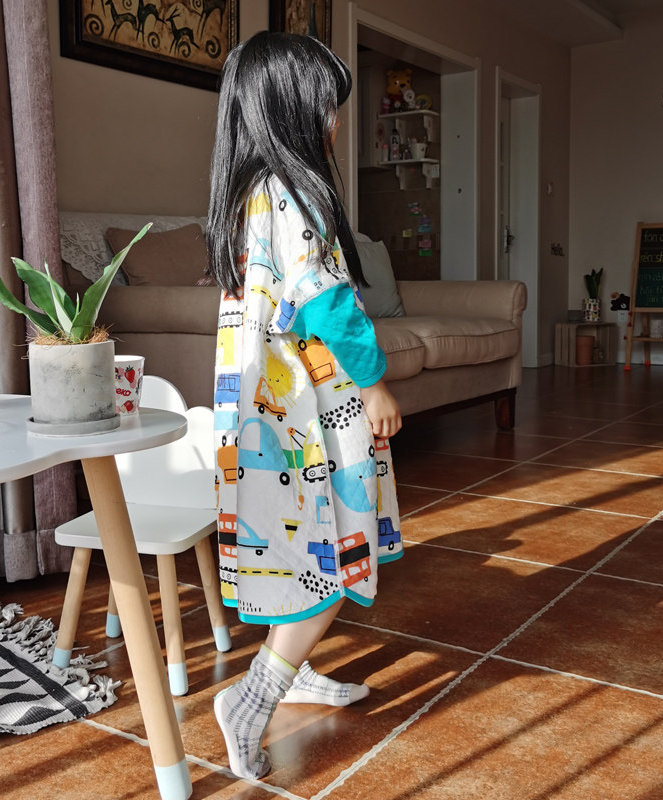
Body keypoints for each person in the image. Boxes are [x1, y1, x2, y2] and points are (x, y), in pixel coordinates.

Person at [206, 30, 403, 781]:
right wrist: (374, 380)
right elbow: (327, 305)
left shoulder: (250, 194)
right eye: (327, 107)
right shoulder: (289, 194)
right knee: (336, 560)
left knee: (300, 556)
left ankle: (294, 673)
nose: (335, 121)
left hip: (268, 414)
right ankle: (254, 697)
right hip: (309, 418)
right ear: (289, 110)